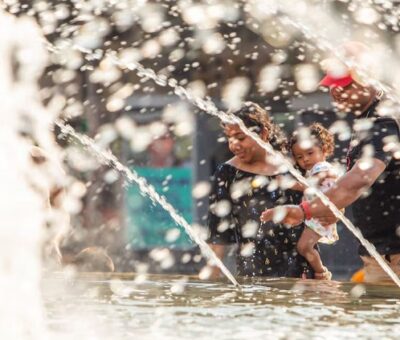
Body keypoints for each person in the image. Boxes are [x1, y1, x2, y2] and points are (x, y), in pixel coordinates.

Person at [261, 60, 400, 283]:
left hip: (393, 255)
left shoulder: (381, 122)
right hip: (382, 252)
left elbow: (360, 179)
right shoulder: (369, 120)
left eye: (344, 86)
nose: (336, 93)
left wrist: (304, 211)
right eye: (332, 86)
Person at [207, 102, 314, 278]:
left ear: (264, 133)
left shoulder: (294, 166)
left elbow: (319, 205)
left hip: (302, 270)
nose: (234, 145)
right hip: (253, 272)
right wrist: (212, 272)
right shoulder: (227, 173)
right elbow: (218, 229)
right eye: (229, 138)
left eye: (241, 138)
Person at [286, 123, 339, 280]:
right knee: (304, 246)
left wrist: (289, 183)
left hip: (320, 216)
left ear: (323, 150)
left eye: (310, 153)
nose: (306, 159)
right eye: (299, 157)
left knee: (304, 246)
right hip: (315, 215)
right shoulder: (315, 170)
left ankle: (321, 271)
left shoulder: (322, 168)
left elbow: (311, 186)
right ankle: (320, 270)